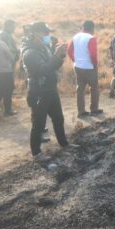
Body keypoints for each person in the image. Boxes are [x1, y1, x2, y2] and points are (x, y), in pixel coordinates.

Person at [22, 21, 76, 158]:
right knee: (39, 124)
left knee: (58, 119)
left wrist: (60, 55)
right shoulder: (30, 53)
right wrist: (56, 56)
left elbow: (52, 65)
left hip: (51, 90)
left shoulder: (44, 48)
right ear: (34, 33)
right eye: (45, 32)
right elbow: (43, 70)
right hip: (39, 92)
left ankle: (64, 144)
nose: (47, 35)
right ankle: (36, 153)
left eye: (48, 32)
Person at [68, 20, 103, 118]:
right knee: (94, 88)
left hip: (78, 66)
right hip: (89, 67)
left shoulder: (75, 37)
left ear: (83, 27)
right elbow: (93, 54)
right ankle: (94, 109)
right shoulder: (91, 38)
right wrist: (95, 64)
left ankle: (81, 111)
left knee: (80, 89)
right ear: (92, 28)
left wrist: (75, 60)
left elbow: (69, 50)